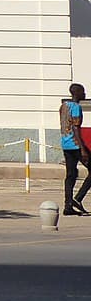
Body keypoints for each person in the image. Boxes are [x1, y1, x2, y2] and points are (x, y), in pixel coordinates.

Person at [59, 83, 90, 215]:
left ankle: (68, 205)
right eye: (82, 92)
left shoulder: (63, 106)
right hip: (76, 144)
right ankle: (78, 198)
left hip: (65, 144)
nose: (85, 94)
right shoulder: (76, 107)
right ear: (76, 93)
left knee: (70, 175)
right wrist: (83, 149)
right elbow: (76, 128)